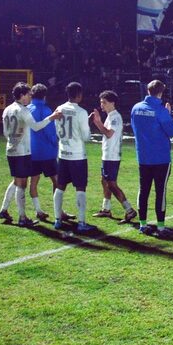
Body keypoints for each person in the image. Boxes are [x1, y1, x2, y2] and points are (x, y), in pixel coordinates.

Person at [0, 82, 61, 227]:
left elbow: (5, 133)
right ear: (22, 95)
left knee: (16, 181)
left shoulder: (7, 109)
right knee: (22, 184)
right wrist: (51, 118)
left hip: (10, 150)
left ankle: (4, 209)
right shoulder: (23, 110)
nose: (30, 97)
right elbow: (36, 126)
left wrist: (13, 141)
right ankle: (22, 218)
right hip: (22, 152)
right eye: (28, 94)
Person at [130, 80, 173, 237]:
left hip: (143, 156)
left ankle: (143, 225)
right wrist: (168, 115)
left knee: (143, 190)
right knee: (160, 192)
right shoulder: (160, 110)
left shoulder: (136, 108)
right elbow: (172, 131)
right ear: (161, 93)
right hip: (161, 157)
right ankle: (161, 227)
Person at [52, 82, 96, 234]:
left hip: (63, 153)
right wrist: (88, 124)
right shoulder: (82, 112)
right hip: (77, 155)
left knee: (60, 186)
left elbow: (58, 130)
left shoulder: (59, 109)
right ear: (79, 95)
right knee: (80, 186)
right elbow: (85, 136)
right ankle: (81, 222)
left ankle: (57, 219)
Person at [91, 90, 136, 223]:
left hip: (112, 156)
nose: (102, 105)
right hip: (107, 155)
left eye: (104, 102)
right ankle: (106, 209)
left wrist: (98, 122)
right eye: (100, 102)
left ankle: (129, 210)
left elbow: (109, 134)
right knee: (104, 181)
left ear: (112, 103)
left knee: (111, 184)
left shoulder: (115, 117)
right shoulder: (110, 116)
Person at [28, 83, 66, 223]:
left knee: (33, 182)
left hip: (32, 151)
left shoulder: (28, 108)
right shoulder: (45, 109)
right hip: (47, 152)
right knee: (57, 181)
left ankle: (38, 210)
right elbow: (49, 131)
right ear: (45, 95)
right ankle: (59, 211)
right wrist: (55, 142)